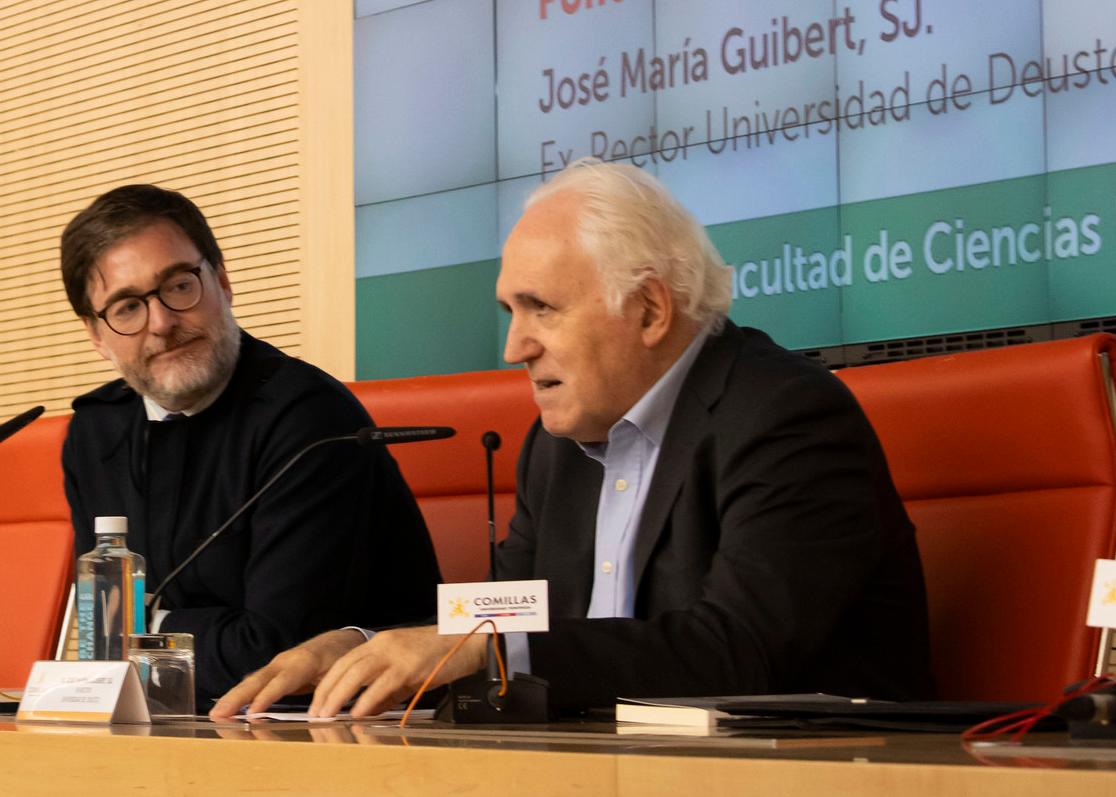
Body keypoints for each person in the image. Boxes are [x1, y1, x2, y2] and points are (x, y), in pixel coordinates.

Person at [211, 159, 934, 720]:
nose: (513, 346)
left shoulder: (785, 415)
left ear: (649, 308)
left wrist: (486, 649)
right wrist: (364, 642)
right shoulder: (555, 446)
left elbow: (740, 652)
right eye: (509, 310)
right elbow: (496, 617)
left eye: (540, 309)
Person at [60, 184, 441, 703]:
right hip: (161, 726)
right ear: (97, 336)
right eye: (127, 308)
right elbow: (100, 641)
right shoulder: (94, 431)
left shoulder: (310, 419)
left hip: (333, 735)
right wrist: (162, 635)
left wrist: (145, 627)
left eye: (178, 286)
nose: (162, 323)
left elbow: (279, 655)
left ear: (222, 281)